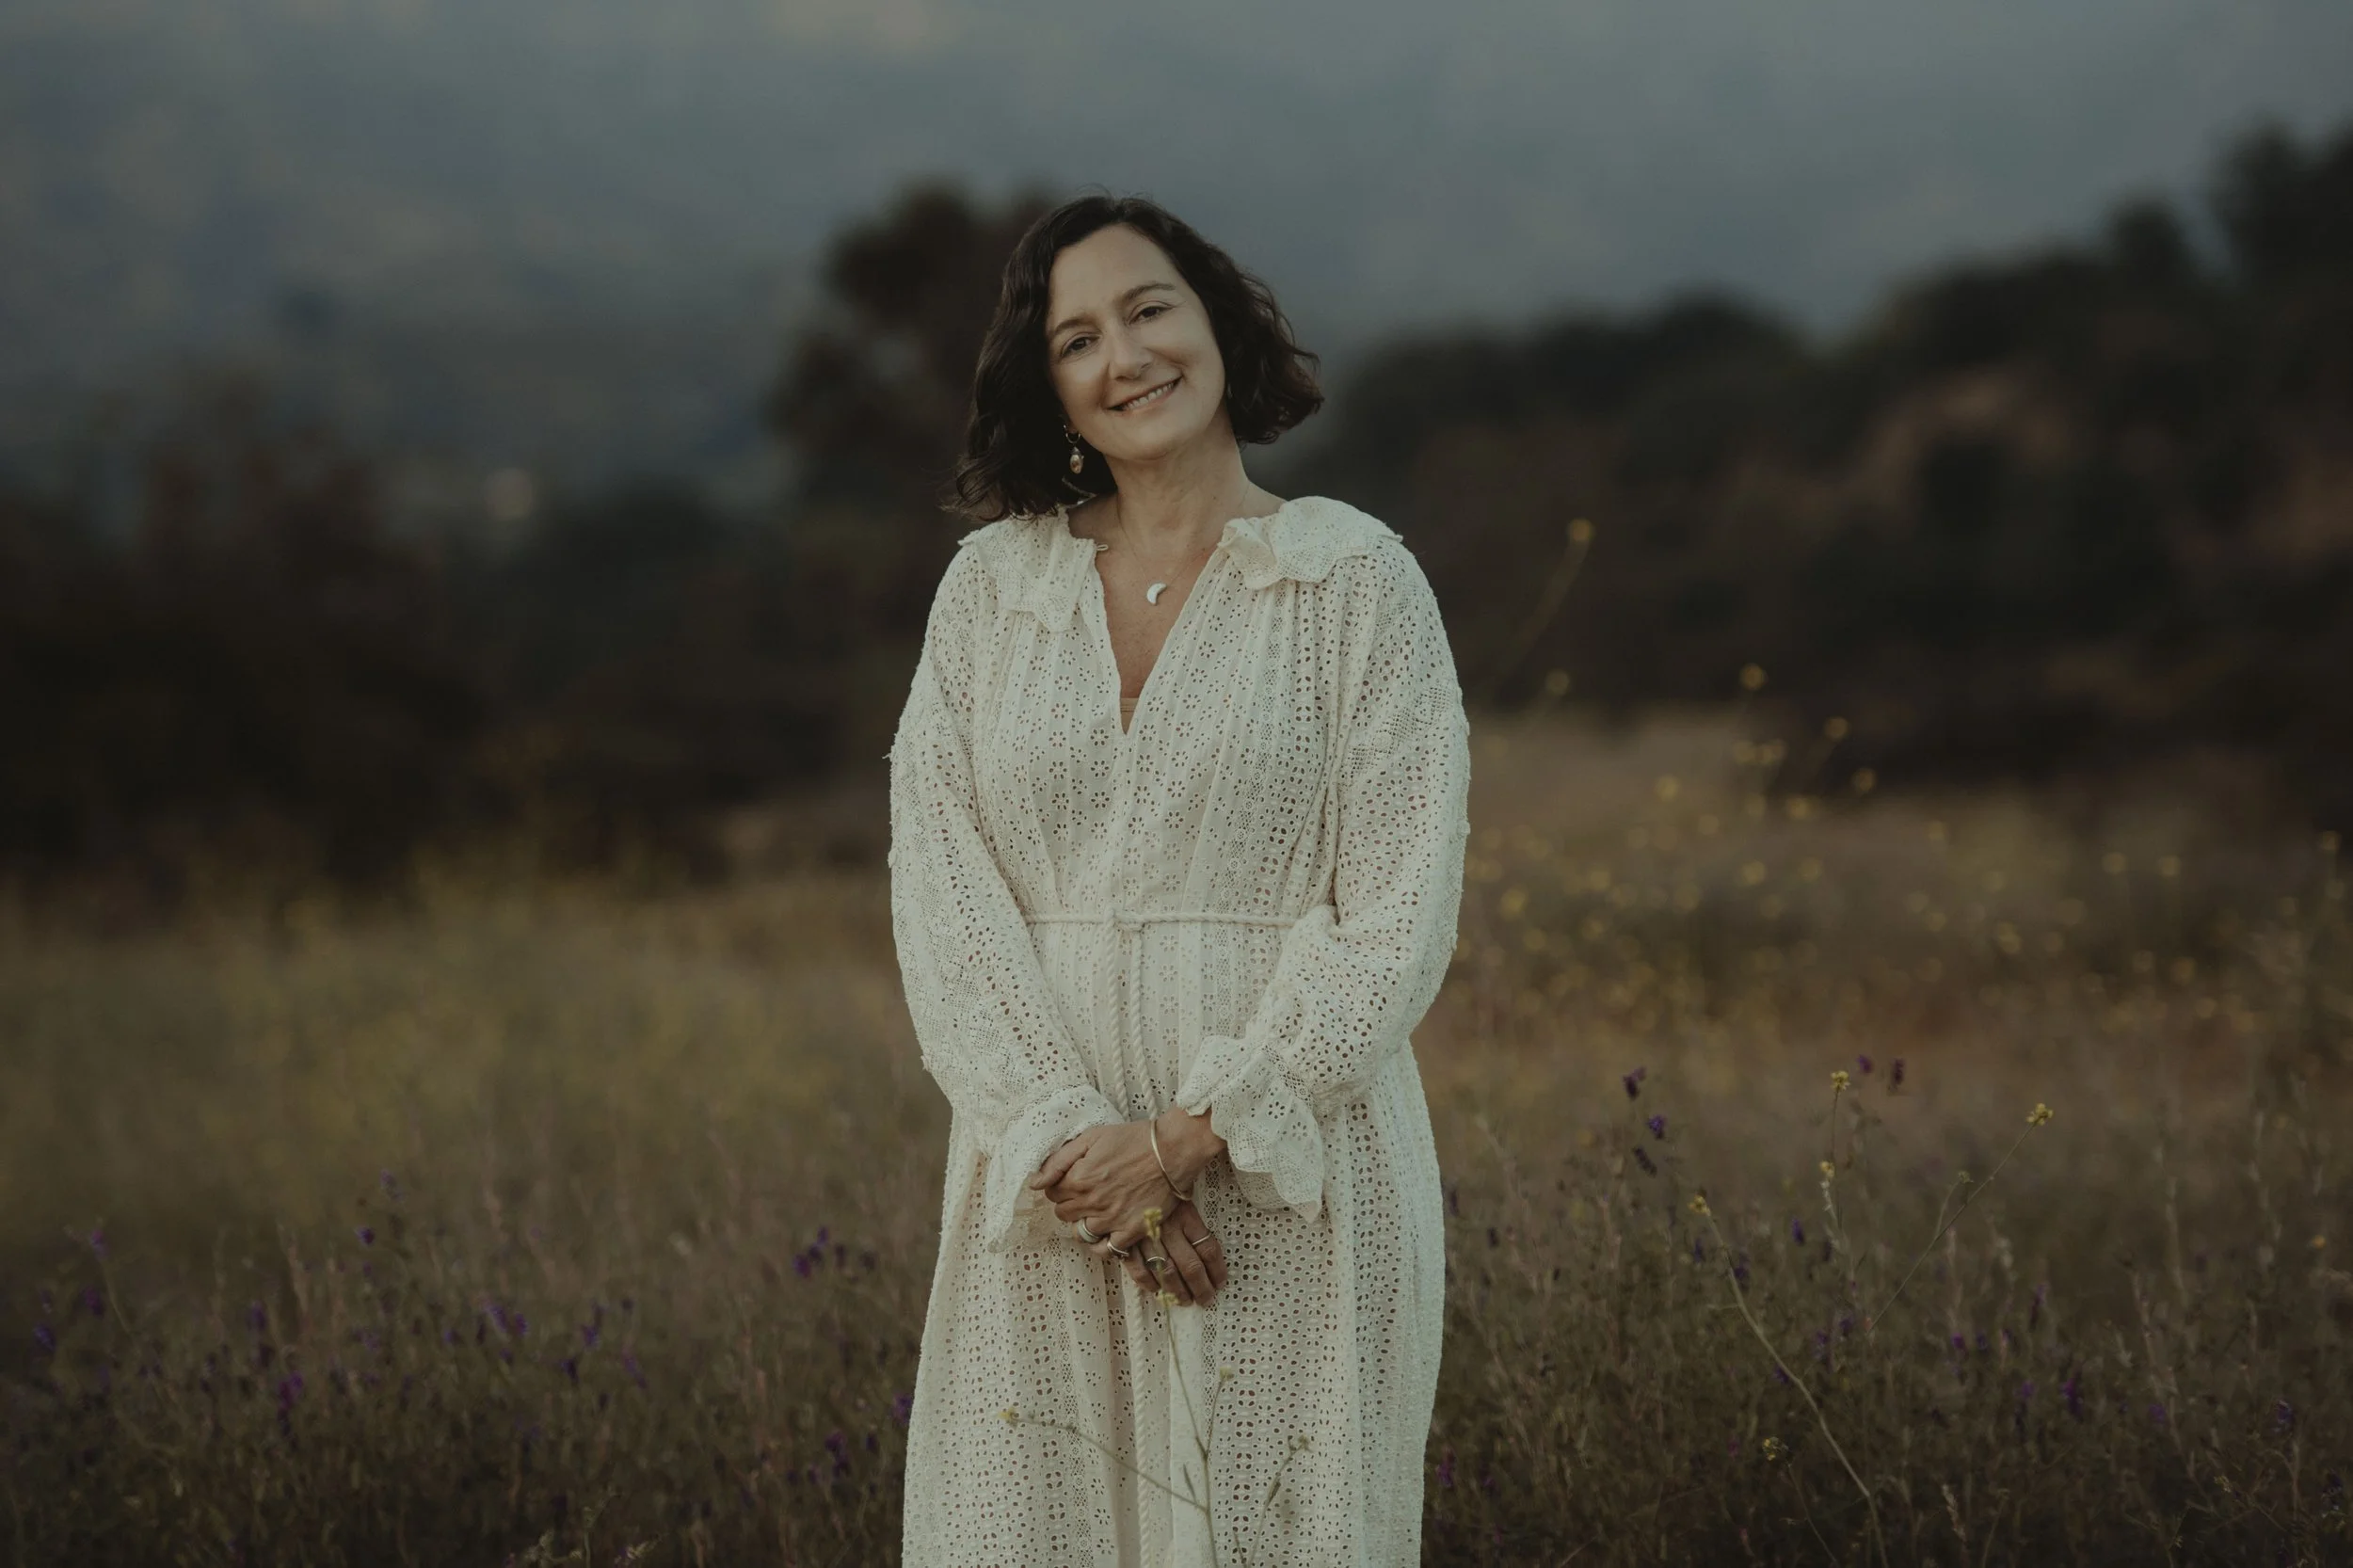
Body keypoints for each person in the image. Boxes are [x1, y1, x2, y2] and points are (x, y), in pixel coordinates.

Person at [887, 192, 1472, 1567]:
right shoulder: (989, 591)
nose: (1124, 355)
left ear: (1218, 322)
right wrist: (1079, 1148)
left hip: (1288, 1185)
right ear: (1054, 392)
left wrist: (1192, 1136)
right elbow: (941, 886)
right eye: (1076, 338)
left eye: (1150, 308)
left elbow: (1395, 908)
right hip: (1050, 1194)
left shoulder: (1358, 582)